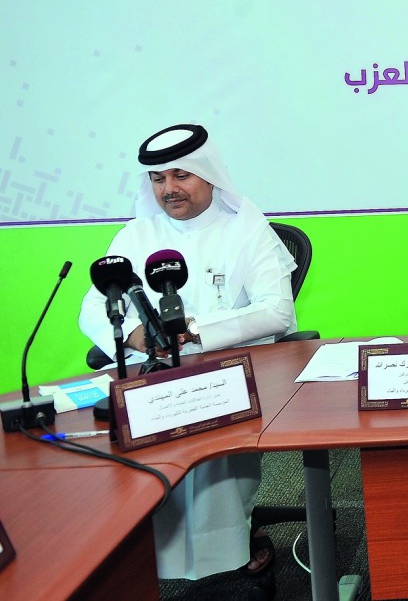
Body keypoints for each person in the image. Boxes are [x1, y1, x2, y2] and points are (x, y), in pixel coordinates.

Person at [79, 123, 297, 580]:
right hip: (152, 374)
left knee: (209, 462)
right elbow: (96, 304)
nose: (169, 189)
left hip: (226, 371)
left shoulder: (246, 227)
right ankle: (142, 564)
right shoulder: (138, 234)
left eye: (181, 176)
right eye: (158, 179)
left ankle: (230, 554)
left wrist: (196, 331)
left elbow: (276, 312)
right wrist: (138, 334)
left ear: (207, 175)